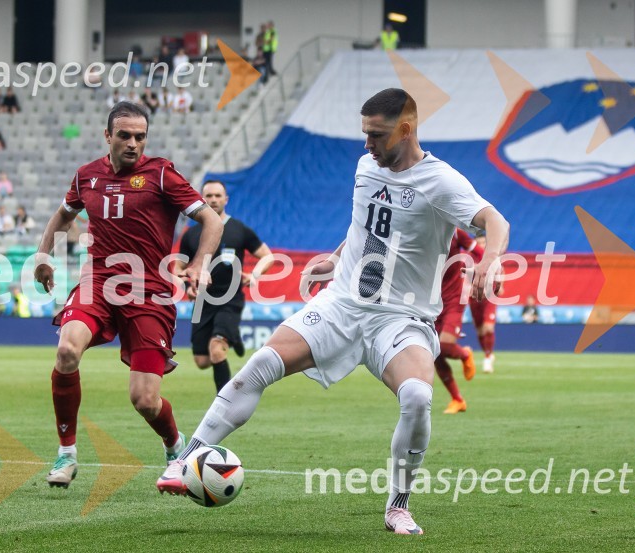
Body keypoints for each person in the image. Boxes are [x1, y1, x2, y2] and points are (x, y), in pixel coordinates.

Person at [155, 89, 509, 536]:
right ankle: (185, 460)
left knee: (418, 398)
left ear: (406, 129)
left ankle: (398, 505)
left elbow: (496, 221)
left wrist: (491, 258)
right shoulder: (367, 167)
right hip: (342, 304)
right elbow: (364, 224)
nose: (367, 145)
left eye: (376, 135)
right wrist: (337, 258)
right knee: (259, 366)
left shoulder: (441, 182)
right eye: (364, 134)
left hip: (399, 318)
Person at [34, 101, 223, 489]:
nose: (133, 143)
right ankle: (66, 454)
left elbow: (211, 220)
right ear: (108, 137)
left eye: (140, 136)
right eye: (125, 135)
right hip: (98, 283)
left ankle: (175, 447)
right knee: (67, 351)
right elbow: (63, 215)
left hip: (149, 293)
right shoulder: (86, 176)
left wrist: (200, 262)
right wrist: (42, 256)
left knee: (144, 400)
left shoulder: (162, 174)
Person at [177, 180, 274, 392]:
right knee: (202, 361)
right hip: (202, 301)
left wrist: (255, 274)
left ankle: (225, 402)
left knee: (216, 351)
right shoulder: (192, 234)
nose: (213, 200)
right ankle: (234, 336)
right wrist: (187, 284)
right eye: (208, 196)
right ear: (202, 199)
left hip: (230, 298)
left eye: (217, 196)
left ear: (226, 199)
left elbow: (267, 256)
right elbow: (178, 266)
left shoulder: (239, 229)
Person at [434, 228, 482, 415]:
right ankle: (457, 399)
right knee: (434, 353)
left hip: (454, 298)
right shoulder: (420, 231)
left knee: (444, 346)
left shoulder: (455, 232)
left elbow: (478, 251)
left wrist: (485, 265)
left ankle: (464, 354)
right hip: (429, 302)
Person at [469, 231, 500, 373]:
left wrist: (501, 286)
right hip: (474, 297)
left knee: (488, 327)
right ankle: (487, 353)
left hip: (489, 295)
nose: (482, 245)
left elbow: (500, 272)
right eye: (479, 243)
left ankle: (487, 358)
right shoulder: (469, 258)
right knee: (480, 330)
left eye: (484, 242)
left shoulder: (492, 257)